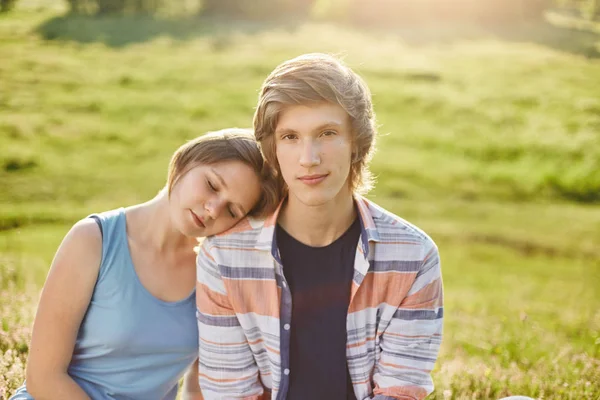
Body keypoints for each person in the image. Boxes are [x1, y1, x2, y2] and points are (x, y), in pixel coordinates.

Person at [195, 54, 444, 400]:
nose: (308, 158)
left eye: (327, 133)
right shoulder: (224, 256)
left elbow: (400, 391)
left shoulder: (413, 256)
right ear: (273, 150)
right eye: (291, 137)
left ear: (356, 143)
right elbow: (231, 393)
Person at [10, 128, 281, 400]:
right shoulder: (93, 239)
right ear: (187, 160)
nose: (213, 209)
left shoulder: (213, 273)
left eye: (232, 210)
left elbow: (197, 387)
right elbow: (43, 377)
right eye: (211, 185)